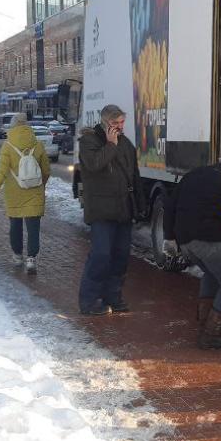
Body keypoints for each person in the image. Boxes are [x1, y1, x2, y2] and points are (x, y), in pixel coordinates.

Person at [163, 151, 221, 349]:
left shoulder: (193, 174)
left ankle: (205, 320)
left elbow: (170, 205)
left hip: (185, 241)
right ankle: (211, 335)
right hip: (208, 239)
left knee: (211, 273)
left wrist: (170, 236)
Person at [78, 104, 145, 316]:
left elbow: (134, 176)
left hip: (123, 209)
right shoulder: (89, 141)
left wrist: (141, 205)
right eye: (115, 123)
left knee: (120, 256)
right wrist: (110, 145)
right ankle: (89, 300)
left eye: (122, 122)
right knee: (101, 255)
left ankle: (113, 297)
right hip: (101, 210)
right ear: (105, 122)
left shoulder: (126, 144)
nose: (119, 127)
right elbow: (93, 165)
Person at [0, 112, 50, 274]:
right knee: (33, 228)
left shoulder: (7, 146)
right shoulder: (38, 144)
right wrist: (41, 186)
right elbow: (46, 170)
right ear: (27, 125)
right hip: (35, 192)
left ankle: (17, 255)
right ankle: (31, 259)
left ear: (13, 126)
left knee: (15, 226)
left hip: (13, 193)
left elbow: (1, 172)